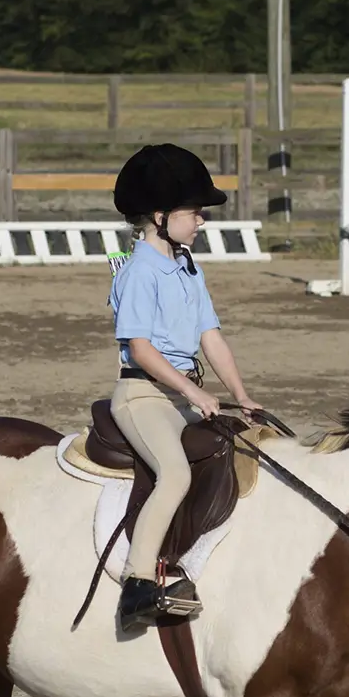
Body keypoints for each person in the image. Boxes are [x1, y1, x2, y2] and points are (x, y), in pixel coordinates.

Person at [108, 143, 263, 631]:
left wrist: (241, 395)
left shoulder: (187, 267)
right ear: (159, 215)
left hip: (182, 395)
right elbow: (140, 349)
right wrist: (194, 393)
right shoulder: (138, 272)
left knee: (253, 451)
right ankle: (137, 584)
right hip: (144, 396)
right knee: (174, 474)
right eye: (194, 213)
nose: (201, 222)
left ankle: (197, 568)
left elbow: (210, 337)